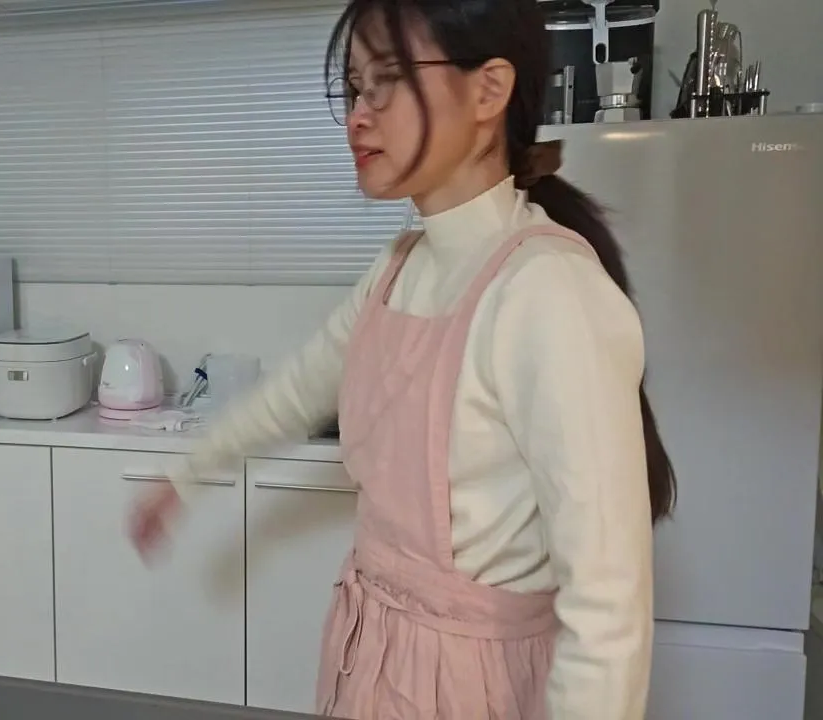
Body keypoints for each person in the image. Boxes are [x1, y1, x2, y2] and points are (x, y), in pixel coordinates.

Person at [129, 0, 677, 718]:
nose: (358, 115)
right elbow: (299, 388)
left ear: (489, 90)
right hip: (372, 655)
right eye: (355, 87)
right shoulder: (400, 266)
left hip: (474, 686)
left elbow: (607, 613)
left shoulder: (549, 294)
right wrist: (187, 473)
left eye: (387, 79)